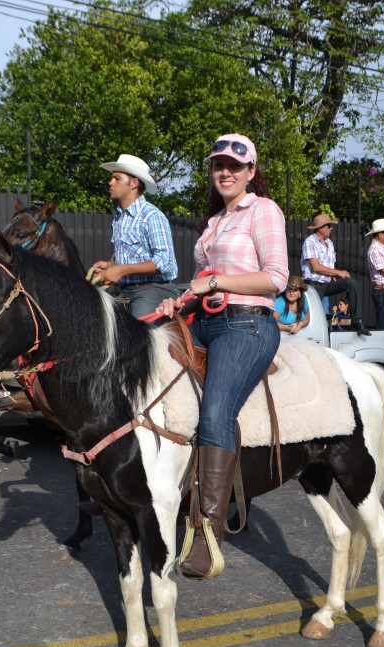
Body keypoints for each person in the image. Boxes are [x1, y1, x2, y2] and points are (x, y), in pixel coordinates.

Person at [157, 133, 288, 580]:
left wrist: (213, 284)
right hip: (204, 320)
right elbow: (199, 284)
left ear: (251, 171)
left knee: (214, 413)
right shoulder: (212, 222)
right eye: (218, 165)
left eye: (235, 165)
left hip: (248, 324)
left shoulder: (264, 211)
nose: (225, 172)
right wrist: (180, 303)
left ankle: (207, 535)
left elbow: (276, 279)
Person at [91, 154, 179, 318]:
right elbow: (132, 255)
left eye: (117, 178)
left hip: (155, 288)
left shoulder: (151, 215)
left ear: (134, 183)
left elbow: (165, 261)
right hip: (127, 290)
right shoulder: (120, 217)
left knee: (136, 334)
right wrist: (110, 265)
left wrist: (121, 270)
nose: (110, 182)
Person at [300, 213, 370, 336]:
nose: (331, 228)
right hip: (313, 286)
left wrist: (334, 275)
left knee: (350, 283)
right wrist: (338, 272)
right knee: (313, 317)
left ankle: (357, 321)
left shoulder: (330, 243)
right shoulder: (310, 241)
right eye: (329, 226)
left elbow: (328, 266)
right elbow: (316, 267)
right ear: (321, 228)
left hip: (326, 284)